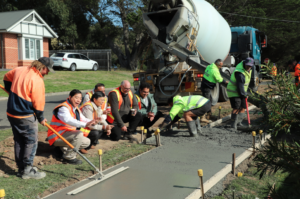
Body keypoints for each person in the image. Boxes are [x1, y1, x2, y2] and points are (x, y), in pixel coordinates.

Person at [3, 57, 54, 179]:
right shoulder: (37, 80)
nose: (47, 73)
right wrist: (41, 117)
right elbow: (38, 102)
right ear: (42, 67)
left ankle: (21, 168)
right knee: (31, 141)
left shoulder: (19, 69)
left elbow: (6, 77)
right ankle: (27, 170)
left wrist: (12, 92)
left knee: (19, 140)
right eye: (47, 70)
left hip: (11, 113)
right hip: (25, 115)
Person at [47, 89, 98, 165]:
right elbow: (68, 120)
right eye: (76, 97)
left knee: (87, 142)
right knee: (79, 134)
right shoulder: (63, 108)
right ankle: (69, 157)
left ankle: (61, 150)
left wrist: (91, 121)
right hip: (56, 136)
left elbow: (83, 119)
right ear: (70, 97)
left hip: (66, 135)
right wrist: (85, 124)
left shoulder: (75, 108)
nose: (79, 100)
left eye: (80, 98)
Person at [226, 57, 253, 130]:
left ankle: (239, 123)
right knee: (236, 107)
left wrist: (244, 93)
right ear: (244, 64)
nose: (248, 67)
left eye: (250, 66)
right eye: (247, 65)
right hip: (234, 91)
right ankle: (233, 125)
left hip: (242, 91)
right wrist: (244, 94)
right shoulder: (240, 72)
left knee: (243, 107)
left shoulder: (249, 70)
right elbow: (240, 86)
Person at [201, 59, 228, 123]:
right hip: (206, 86)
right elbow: (219, 79)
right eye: (220, 66)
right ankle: (203, 117)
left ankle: (209, 115)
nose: (221, 67)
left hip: (205, 85)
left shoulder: (209, 66)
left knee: (209, 100)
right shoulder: (214, 70)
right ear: (217, 64)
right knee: (206, 102)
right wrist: (226, 82)